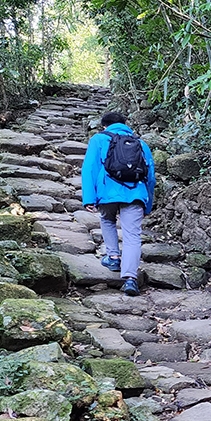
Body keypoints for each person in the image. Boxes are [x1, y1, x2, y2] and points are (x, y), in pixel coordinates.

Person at [81, 111, 155, 296]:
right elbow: (150, 176)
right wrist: (148, 204)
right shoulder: (140, 143)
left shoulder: (98, 139)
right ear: (124, 124)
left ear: (104, 126)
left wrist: (89, 198)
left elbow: (89, 168)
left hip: (107, 193)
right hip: (136, 194)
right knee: (132, 235)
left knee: (107, 220)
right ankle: (130, 279)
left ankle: (113, 257)